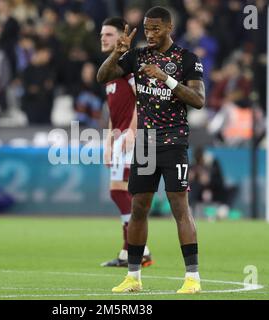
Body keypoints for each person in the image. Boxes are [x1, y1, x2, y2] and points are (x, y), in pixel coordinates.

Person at [97, 6, 205, 294]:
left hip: (173, 142)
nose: (151, 34)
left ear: (169, 28)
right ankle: (133, 277)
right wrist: (116, 52)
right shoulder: (137, 56)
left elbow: (198, 99)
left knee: (179, 208)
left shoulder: (187, 59)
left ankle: (192, 278)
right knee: (138, 208)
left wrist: (166, 78)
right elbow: (102, 76)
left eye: (156, 29)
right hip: (145, 145)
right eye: (147, 29)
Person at [99, 17, 153, 268]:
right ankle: (127, 252)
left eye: (109, 34)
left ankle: (140, 249)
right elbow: (114, 111)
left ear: (122, 37)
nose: (103, 38)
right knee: (124, 192)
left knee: (119, 191)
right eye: (102, 34)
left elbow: (141, 99)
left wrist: (132, 132)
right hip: (119, 136)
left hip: (133, 136)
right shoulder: (110, 69)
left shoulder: (128, 65)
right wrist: (109, 141)